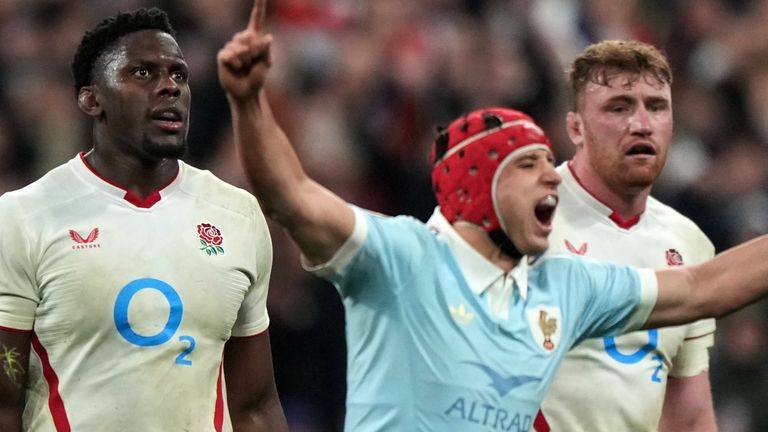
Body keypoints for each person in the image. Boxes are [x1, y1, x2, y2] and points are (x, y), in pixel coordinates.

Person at [219, 1, 768, 430]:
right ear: (479, 183)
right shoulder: (403, 256)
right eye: (531, 164)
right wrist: (249, 102)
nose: (554, 175)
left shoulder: (566, 286)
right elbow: (290, 192)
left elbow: (702, 287)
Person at [0, 7, 288, 432]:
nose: (170, 87)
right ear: (91, 98)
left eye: (179, 75)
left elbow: (255, 406)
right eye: (143, 74)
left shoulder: (237, 215)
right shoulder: (24, 217)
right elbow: (4, 403)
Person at [537, 40, 717, 431]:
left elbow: (689, 414)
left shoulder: (689, 242)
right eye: (618, 107)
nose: (641, 124)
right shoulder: (529, 217)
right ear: (575, 127)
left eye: (656, 106)